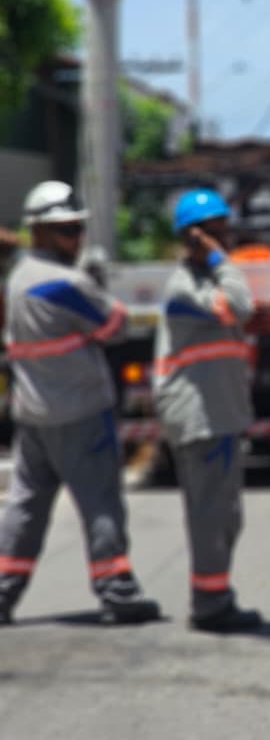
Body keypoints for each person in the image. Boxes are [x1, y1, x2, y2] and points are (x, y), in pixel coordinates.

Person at [0, 181, 161, 626]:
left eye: (77, 229)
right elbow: (116, 325)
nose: (76, 238)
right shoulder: (66, 283)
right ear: (40, 232)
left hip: (32, 415)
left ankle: (3, 593)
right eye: (66, 230)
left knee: (26, 506)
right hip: (80, 413)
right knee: (101, 503)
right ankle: (117, 591)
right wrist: (95, 284)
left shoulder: (18, 279)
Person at [153, 189, 262, 633]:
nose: (224, 240)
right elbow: (241, 307)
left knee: (226, 515)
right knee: (210, 514)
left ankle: (213, 594)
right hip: (198, 416)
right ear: (192, 238)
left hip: (220, 412)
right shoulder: (185, 289)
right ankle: (211, 604)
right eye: (213, 233)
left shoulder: (208, 283)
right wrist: (220, 259)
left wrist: (218, 262)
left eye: (224, 230)